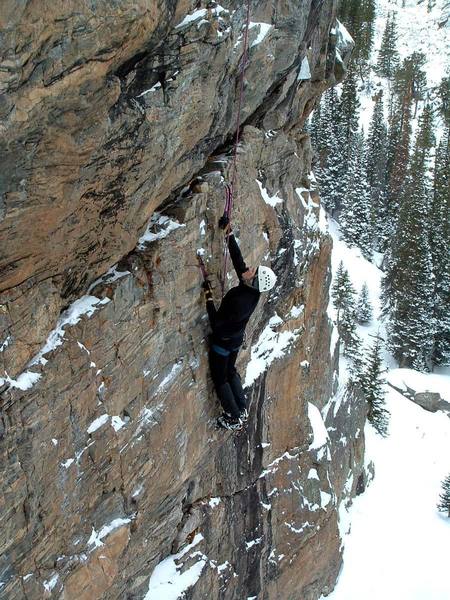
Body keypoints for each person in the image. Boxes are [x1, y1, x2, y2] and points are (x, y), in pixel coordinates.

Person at [203, 217, 277, 430]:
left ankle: (234, 415)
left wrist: (209, 299)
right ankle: (241, 408)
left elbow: (217, 324)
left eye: (253, 272)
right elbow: (238, 261)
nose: (250, 269)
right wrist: (228, 234)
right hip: (234, 340)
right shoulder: (250, 289)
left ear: (254, 281)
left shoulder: (240, 302)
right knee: (231, 372)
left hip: (224, 341)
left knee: (221, 378)